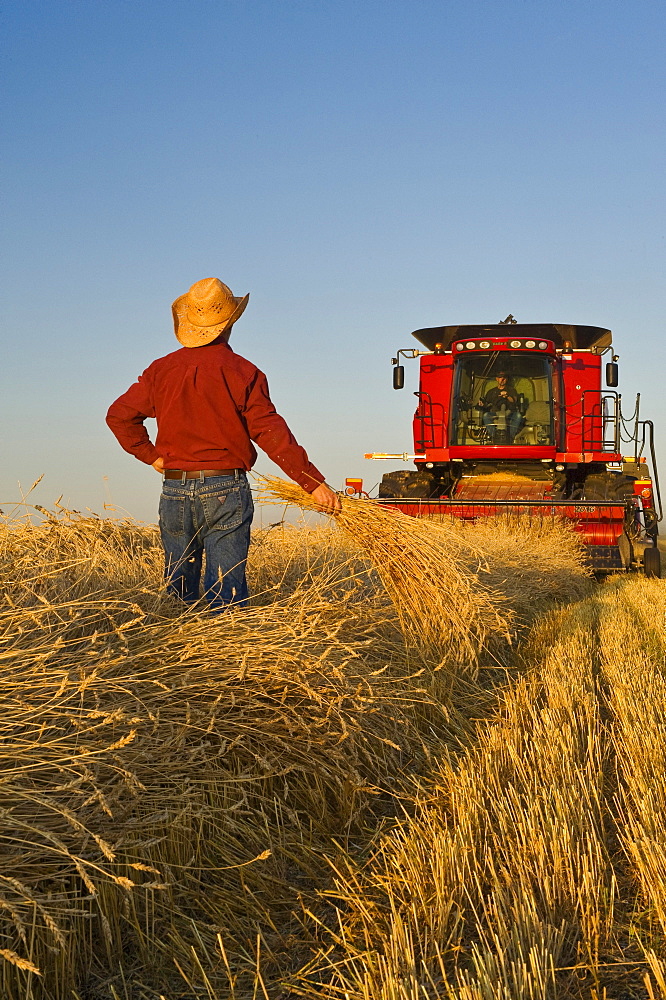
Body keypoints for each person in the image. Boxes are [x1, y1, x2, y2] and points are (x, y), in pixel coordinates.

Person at [106, 277, 340, 611]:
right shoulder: (244, 371)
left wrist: (151, 456)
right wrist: (312, 482)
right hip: (225, 488)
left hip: (174, 489)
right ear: (229, 325)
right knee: (225, 594)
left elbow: (118, 415)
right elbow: (271, 432)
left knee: (177, 594)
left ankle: (176, 655)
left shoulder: (161, 370)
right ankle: (223, 657)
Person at [478, 370, 523, 442]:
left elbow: (514, 400)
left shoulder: (511, 390)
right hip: (495, 413)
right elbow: (486, 404)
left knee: (518, 416)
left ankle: (510, 437)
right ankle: (494, 436)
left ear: (506, 379)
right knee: (486, 415)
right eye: (500, 377)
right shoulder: (491, 392)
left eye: (504, 378)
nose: (502, 379)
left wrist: (507, 396)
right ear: (496, 379)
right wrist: (482, 404)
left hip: (510, 413)